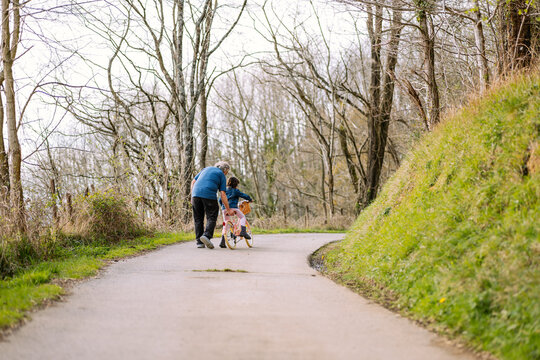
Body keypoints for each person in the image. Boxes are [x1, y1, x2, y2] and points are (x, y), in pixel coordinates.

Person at [191, 161, 234, 249]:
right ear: (224, 169)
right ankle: (206, 236)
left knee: (198, 218)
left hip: (195, 195)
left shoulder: (205, 169)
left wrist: (192, 195)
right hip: (208, 195)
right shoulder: (221, 175)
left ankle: (199, 242)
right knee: (212, 216)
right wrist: (228, 209)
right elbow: (223, 194)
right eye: (227, 171)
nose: (226, 174)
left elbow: (193, 182)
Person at [219, 176, 253, 248]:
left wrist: (223, 206)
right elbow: (244, 195)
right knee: (242, 217)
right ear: (236, 184)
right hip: (234, 208)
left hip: (224, 209)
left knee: (226, 223)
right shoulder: (235, 191)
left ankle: (222, 241)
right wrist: (250, 199)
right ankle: (243, 231)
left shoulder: (224, 190)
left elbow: (220, 200)